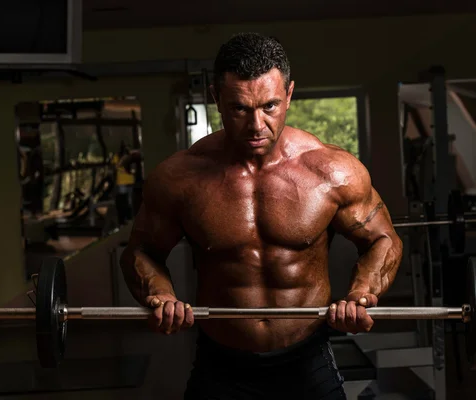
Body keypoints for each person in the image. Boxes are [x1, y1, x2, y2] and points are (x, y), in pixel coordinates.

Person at [120, 32, 403, 400]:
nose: (256, 125)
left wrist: (362, 294)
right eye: (240, 108)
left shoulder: (333, 172)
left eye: (269, 106)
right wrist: (160, 296)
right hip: (221, 363)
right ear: (215, 99)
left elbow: (384, 239)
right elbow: (139, 252)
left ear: (288, 94)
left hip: (307, 359)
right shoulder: (179, 180)